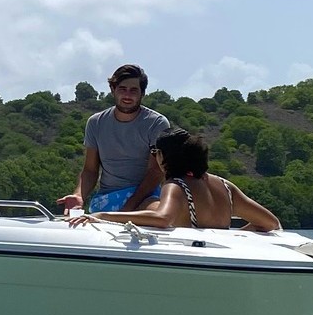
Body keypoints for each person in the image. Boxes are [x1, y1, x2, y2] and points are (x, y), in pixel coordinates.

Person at [73, 130, 280, 232]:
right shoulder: (226, 186)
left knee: (149, 205)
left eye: (155, 152)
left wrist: (101, 216)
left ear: (165, 156)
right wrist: (236, 235)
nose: (154, 157)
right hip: (216, 253)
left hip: (188, 255)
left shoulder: (176, 186)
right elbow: (270, 222)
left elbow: (164, 219)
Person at [57, 64, 171, 216]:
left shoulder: (156, 123)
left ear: (142, 93)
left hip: (144, 198)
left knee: (161, 214)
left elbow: (155, 172)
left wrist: (126, 211)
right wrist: (79, 195)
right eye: (122, 89)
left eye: (133, 90)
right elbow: (90, 170)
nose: (127, 95)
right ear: (113, 90)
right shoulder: (96, 123)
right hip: (106, 198)